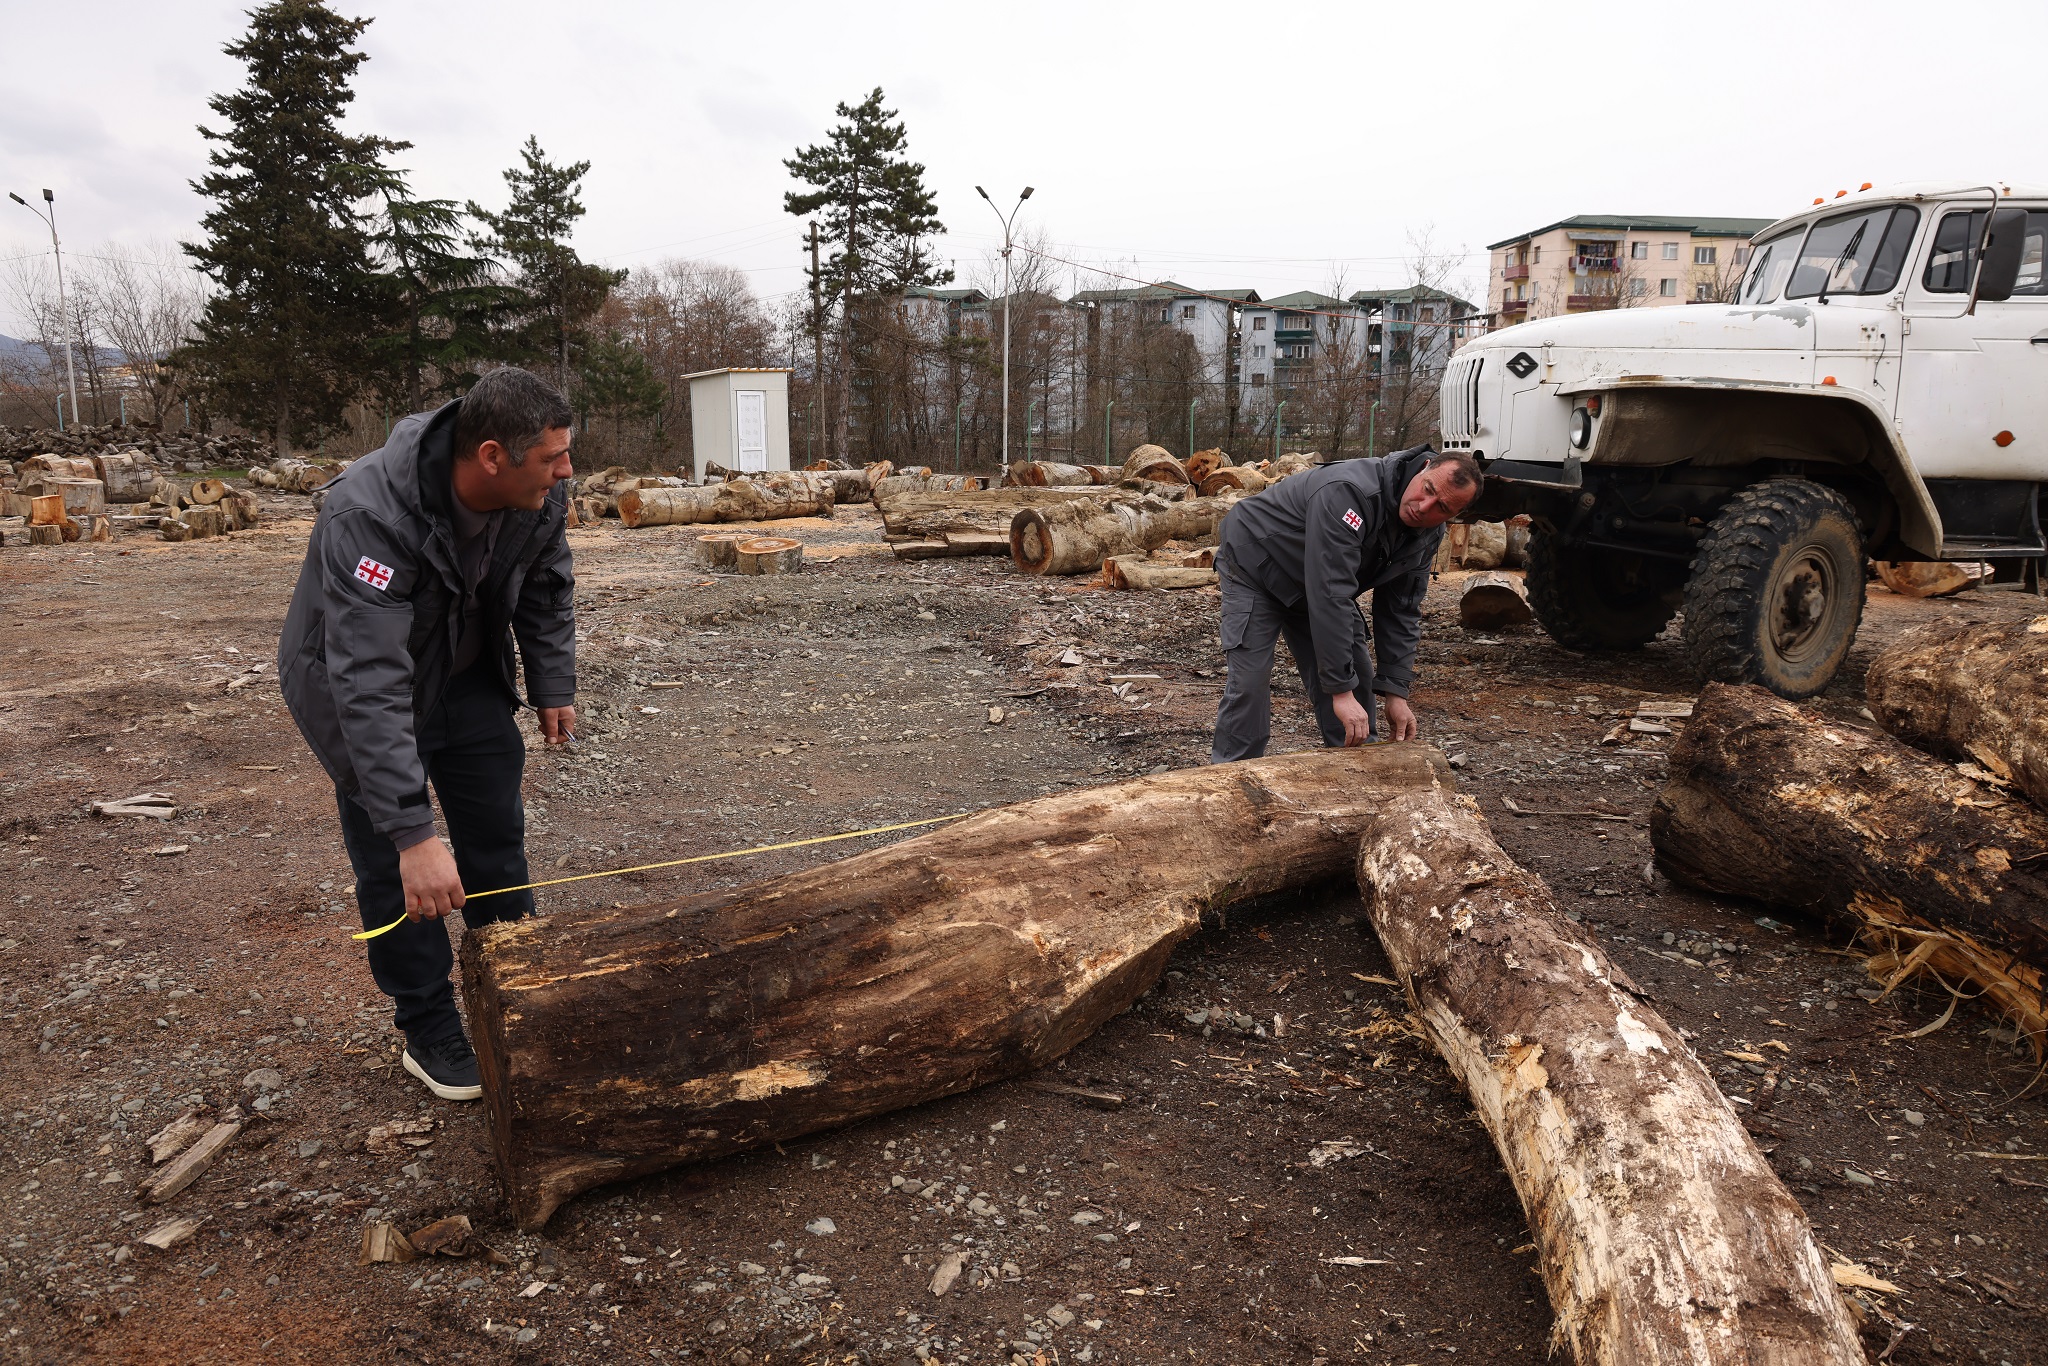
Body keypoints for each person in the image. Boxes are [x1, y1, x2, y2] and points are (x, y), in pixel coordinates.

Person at [278, 367, 579, 1101]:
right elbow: (368, 679)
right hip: (361, 691)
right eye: (552, 458)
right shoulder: (369, 515)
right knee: (398, 869)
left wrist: (553, 682)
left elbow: (545, 585)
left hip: (466, 675)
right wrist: (413, 833)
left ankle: (514, 990)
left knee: (495, 837)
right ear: (491, 457)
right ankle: (428, 1024)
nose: (567, 471)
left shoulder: (538, 493)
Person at [1210, 447, 1480, 762]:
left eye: (1442, 507)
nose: (1424, 507)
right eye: (1428, 489)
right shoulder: (1351, 492)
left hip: (1315, 581)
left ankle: (1356, 771)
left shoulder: (1427, 535)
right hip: (1256, 563)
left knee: (1358, 674)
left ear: (1456, 515)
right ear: (1424, 467)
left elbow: (1401, 609)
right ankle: (1231, 775)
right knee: (1250, 681)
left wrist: (1396, 692)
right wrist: (1340, 691)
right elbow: (1331, 591)